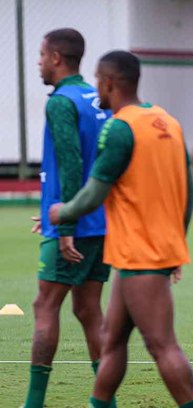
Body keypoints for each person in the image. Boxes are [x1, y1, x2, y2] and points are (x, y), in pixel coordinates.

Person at [48, 50, 193, 408]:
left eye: (98, 80)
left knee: (162, 345)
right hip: (146, 252)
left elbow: (93, 193)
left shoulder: (120, 127)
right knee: (112, 340)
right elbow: (190, 192)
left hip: (140, 256)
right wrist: (175, 241)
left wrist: (61, 212)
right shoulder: (167, 121)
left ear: (109, 83)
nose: (96, 87)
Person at [24, 28, 113, 408]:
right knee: (88, 308)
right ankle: (105, 400)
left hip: (74, 226)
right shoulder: (97, 98)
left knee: (45, 306)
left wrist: (65, 225)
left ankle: (33, 403)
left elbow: (72, 163)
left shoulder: (61, 101)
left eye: (42, 55)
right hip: (102, 222)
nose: (40, 63)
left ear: (57, 57)